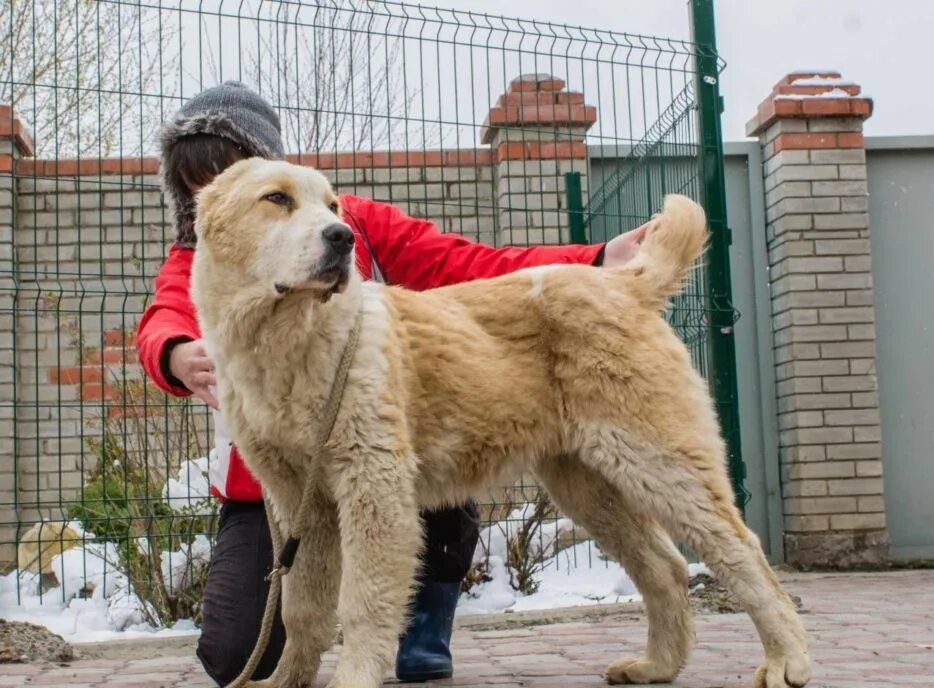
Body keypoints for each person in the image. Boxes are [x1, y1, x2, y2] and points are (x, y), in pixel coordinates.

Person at [136, 81, 647, 687]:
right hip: (272, 488)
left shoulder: (345, 222)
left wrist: (592, 260)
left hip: (379, 434)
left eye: (227, 169)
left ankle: (423, 621)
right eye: (196, 179)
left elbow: (463, 262)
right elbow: (162, 317)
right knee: (233, 655)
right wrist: (174, 354)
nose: (209, 187)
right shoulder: (195, 257)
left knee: (430, 432)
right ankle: (307, 644)